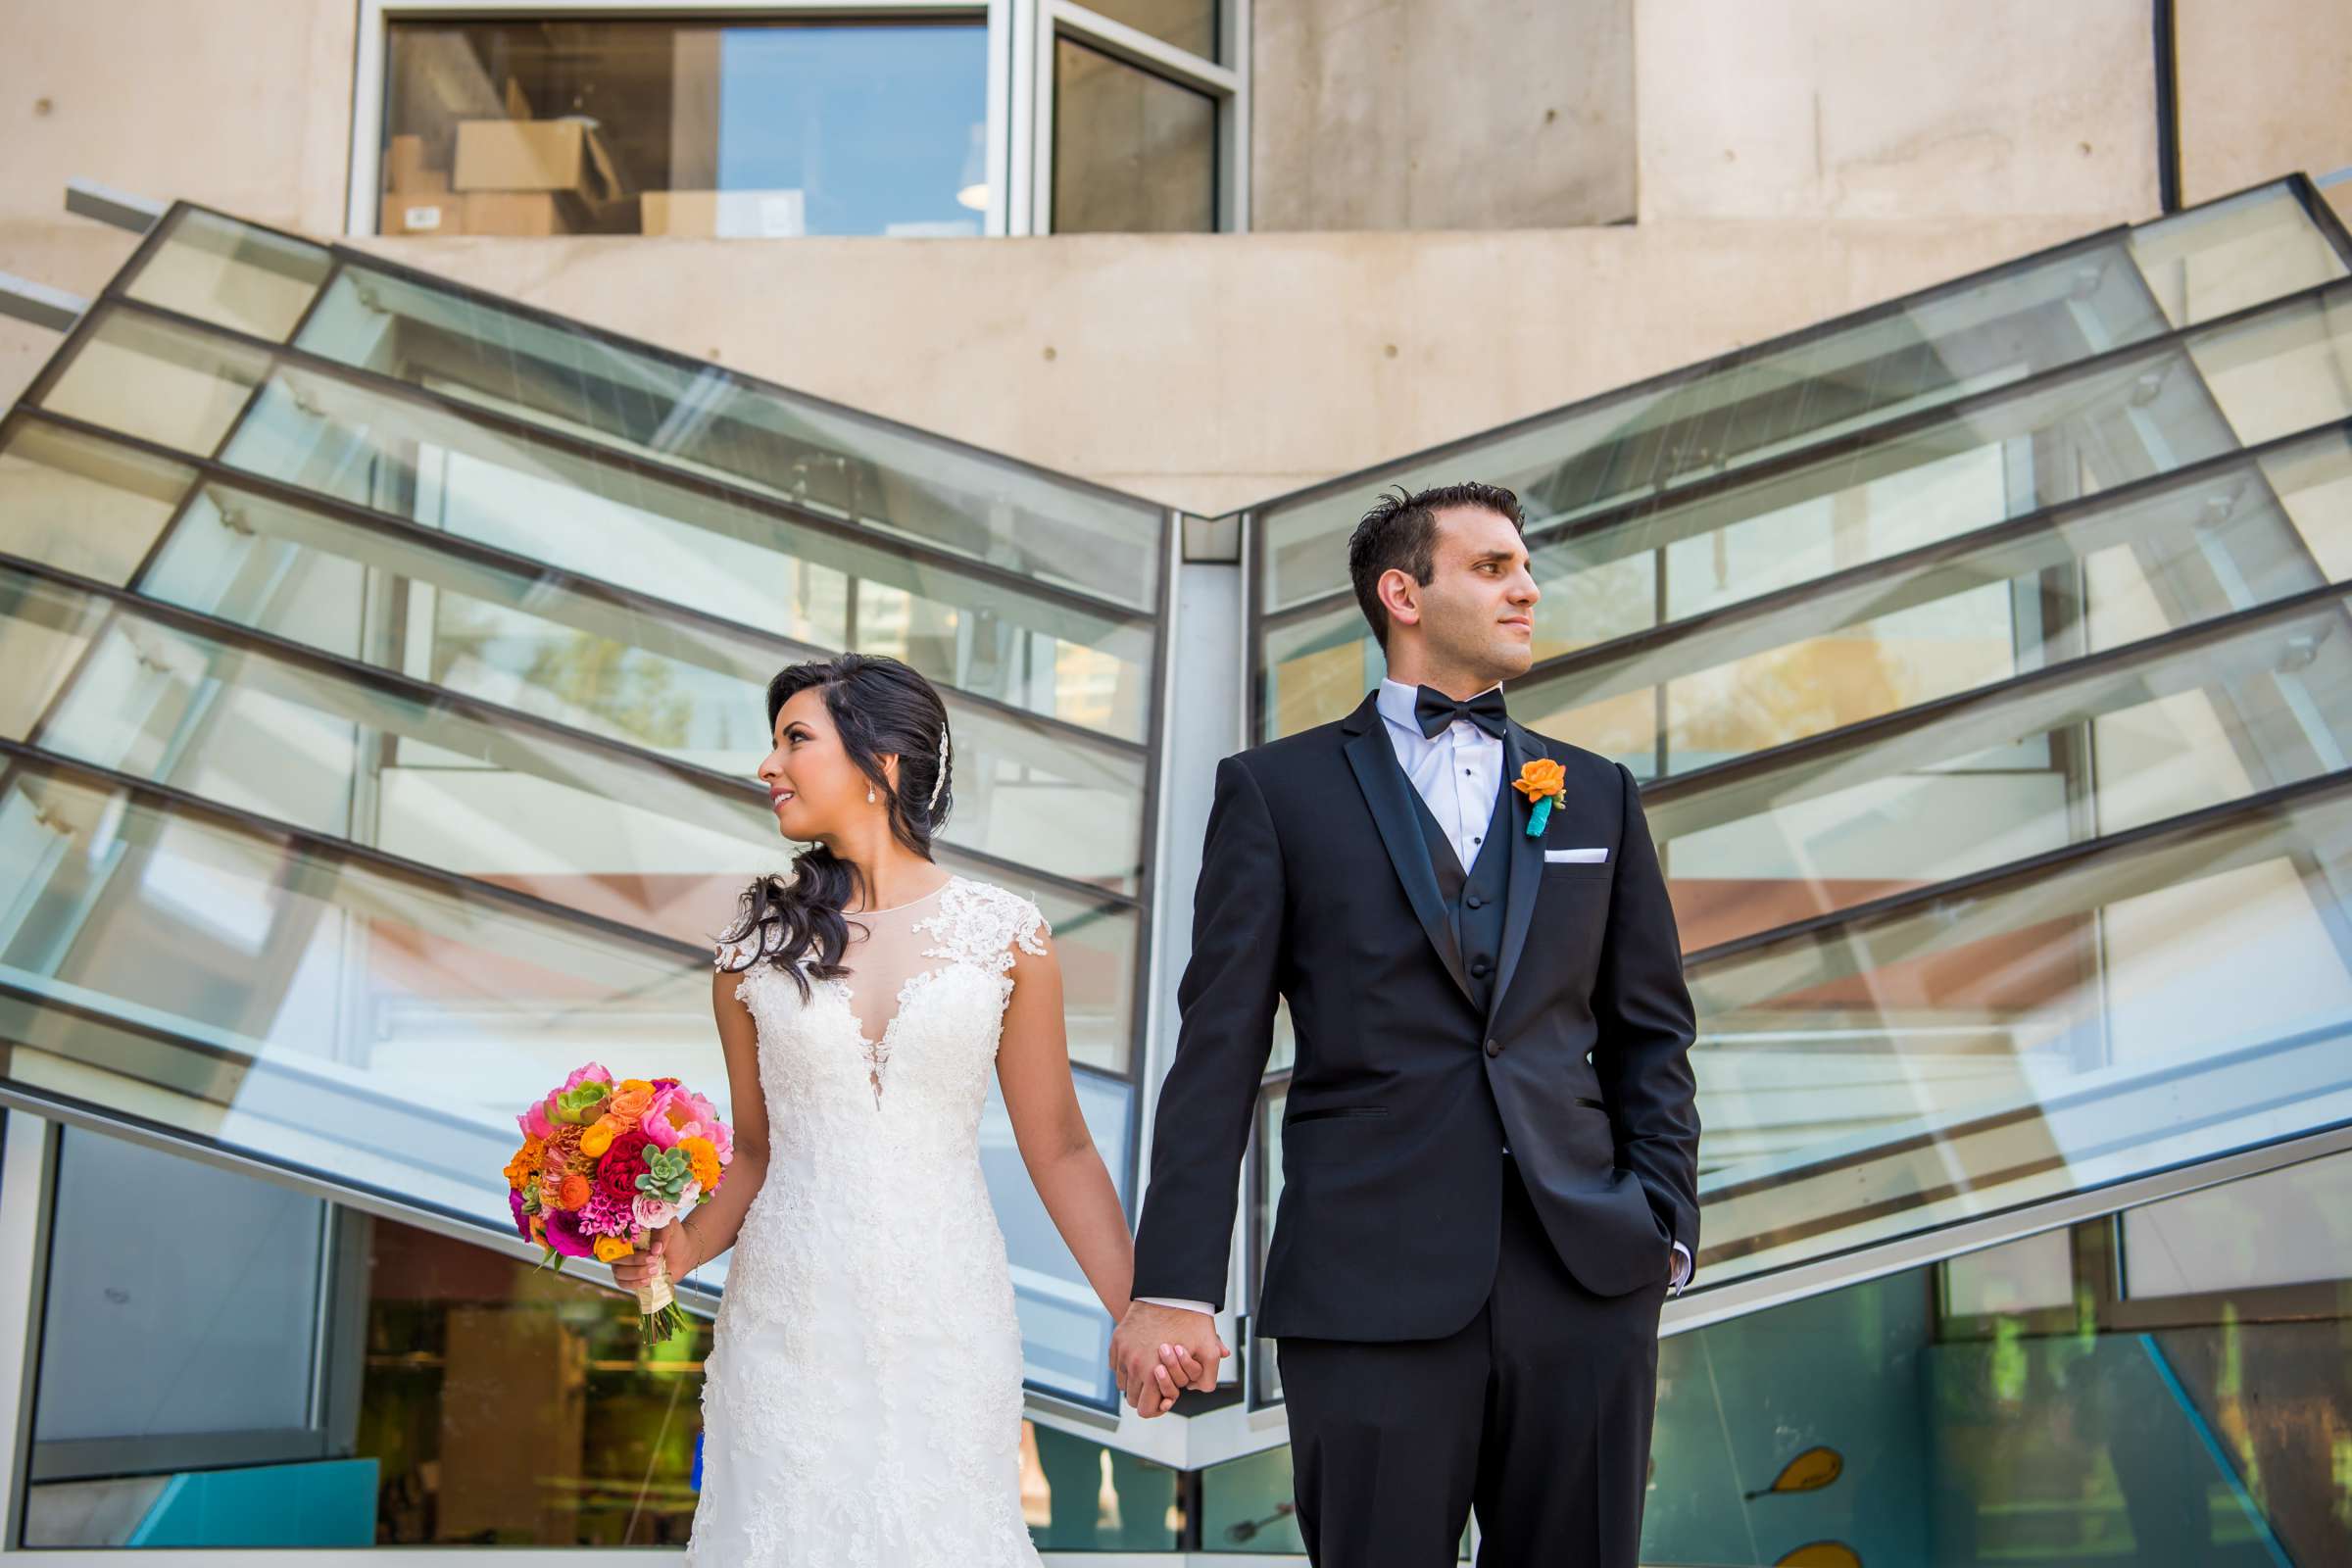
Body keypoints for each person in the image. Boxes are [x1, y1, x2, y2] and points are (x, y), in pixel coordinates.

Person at [1114, 482, 1702, 1566]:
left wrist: (1662, 1225)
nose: (1527, 589)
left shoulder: (1598, 795)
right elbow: (1219, 1051)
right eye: (1492, 568)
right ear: (1404, 593)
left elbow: (1651, 1035)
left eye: (1526, 567)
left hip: (1584, 1277)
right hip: (1365, 1286)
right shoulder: (1274, 793)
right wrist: (1174, 1287)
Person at [611, 652, 1199, 1566]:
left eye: (794, 740)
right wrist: (673, 1250)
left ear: (882, 763)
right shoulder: (749, 950)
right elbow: (754, 1156)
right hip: (788, 1317)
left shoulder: (1007, 933)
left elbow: (1063, 1148)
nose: (769, 767)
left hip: (947, 1310)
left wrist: (1138, 1314)